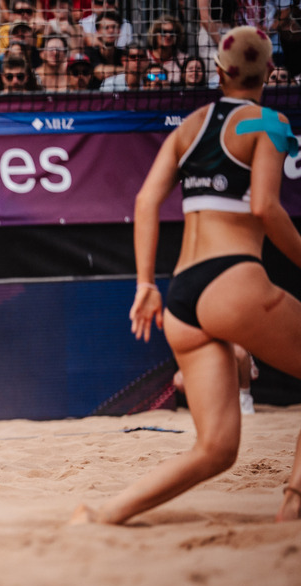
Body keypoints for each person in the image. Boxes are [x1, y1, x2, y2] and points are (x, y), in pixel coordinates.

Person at [70, 27, 301, 526]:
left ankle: (103, 516)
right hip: (233, 278)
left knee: (216, 450)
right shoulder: (274, 121)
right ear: (270, 72)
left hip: (183, 294)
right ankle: (295, 503)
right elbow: (265, 206)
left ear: (219, 72)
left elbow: (146, 201)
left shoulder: (189, 126)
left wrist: (146, 283)